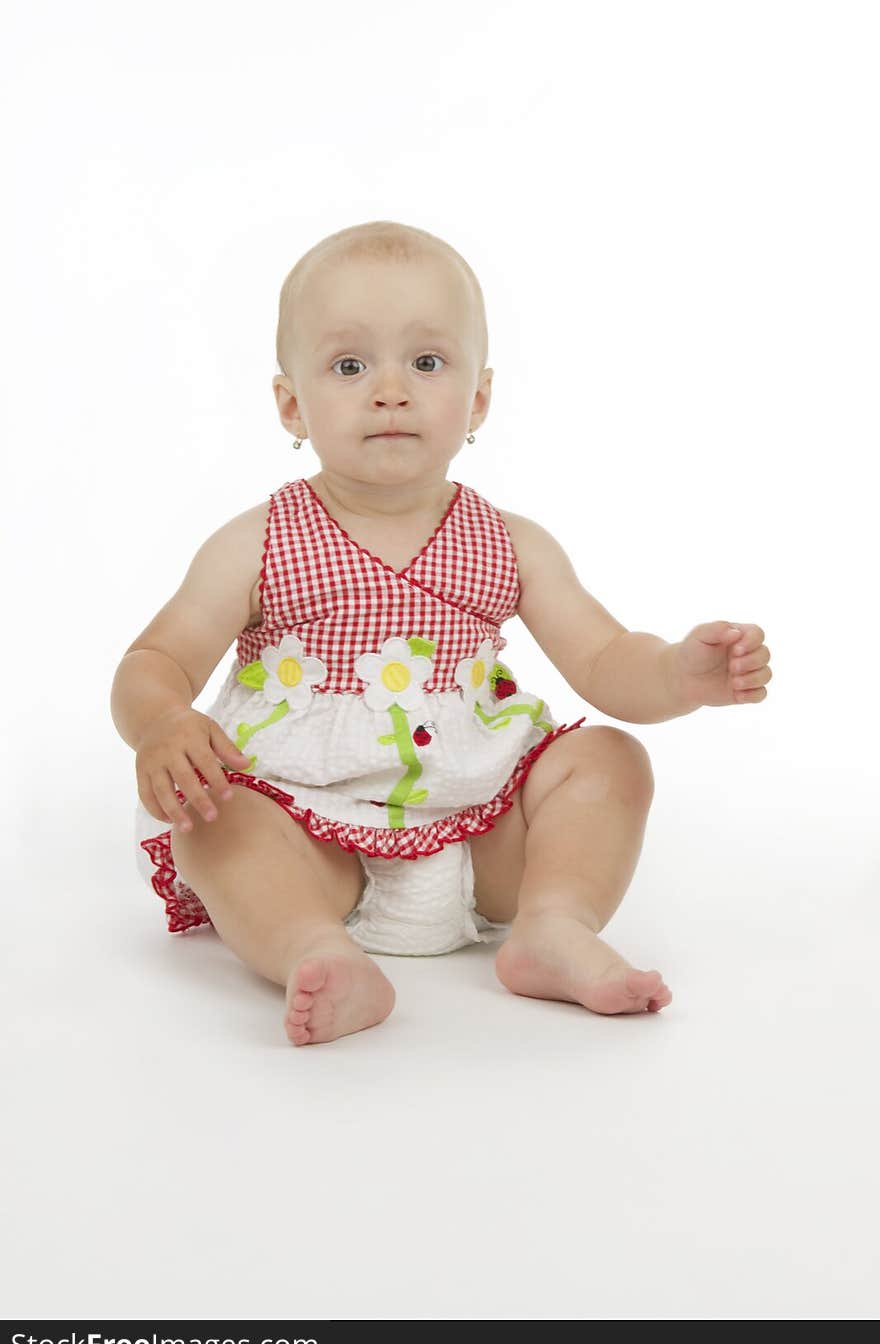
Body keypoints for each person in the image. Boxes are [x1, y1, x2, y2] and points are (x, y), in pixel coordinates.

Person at [110, 219, 772, 1047]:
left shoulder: (510, 541)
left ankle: (553, 924)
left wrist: (677, 675)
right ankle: (312, 948)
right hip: (310, 834)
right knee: (215, 823)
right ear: (291, 403)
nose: (391, 391)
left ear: (479, 399)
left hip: (481, 830)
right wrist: (165, 720)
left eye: (427, 363)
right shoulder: (259, 540)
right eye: (350, 366)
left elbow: (604, 659)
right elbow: (155, 657)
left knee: (609, 759)